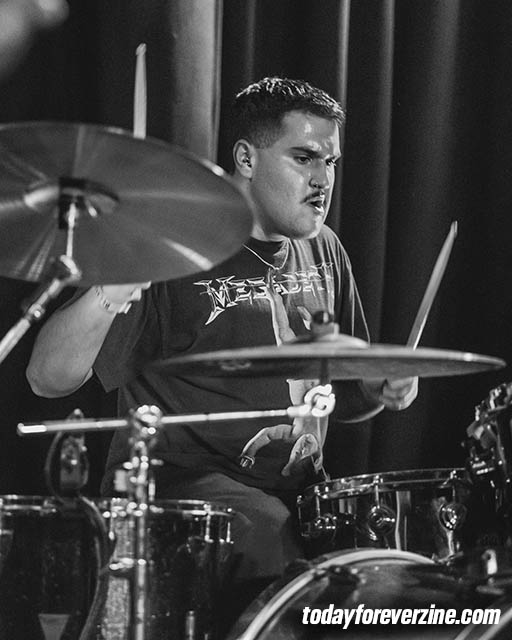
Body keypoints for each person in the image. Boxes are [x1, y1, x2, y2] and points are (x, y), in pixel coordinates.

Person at [26, 77, 418, 632]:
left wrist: (384, 385)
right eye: (304, 157)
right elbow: (47, 378)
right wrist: (110, 290)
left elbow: (351, 391)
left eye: (330, 162)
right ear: (246, 159)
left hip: (297, 491)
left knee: (380, 563)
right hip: (185, 487)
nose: (323, 179)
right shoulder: (178, 245)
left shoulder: (325, 248)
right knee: (271, 539)